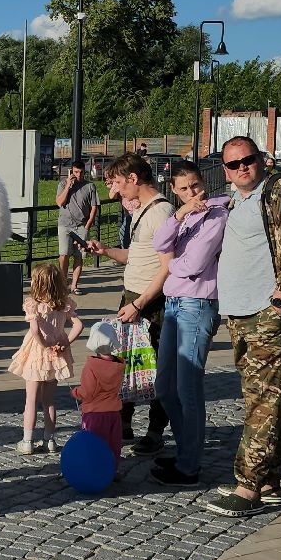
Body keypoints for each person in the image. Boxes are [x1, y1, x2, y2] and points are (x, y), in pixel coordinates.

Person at [204, 135, 281, 517]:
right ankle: (269, 480)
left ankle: (247, 486)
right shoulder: (238, 197)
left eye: (247, 160)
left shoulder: (278, 189)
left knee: (262, 400)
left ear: (261, 159)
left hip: (267, 312)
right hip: (239, 313)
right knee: (263, 398)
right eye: (233, 165)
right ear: (225, 169)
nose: (242, 168)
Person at [83, 153, 174, 456]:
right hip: (132, 297)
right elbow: (135, 256)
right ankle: (123, 423)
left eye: (119, 183)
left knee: (156, 368)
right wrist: (107, 250)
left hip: (149, 302)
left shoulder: (161, 213)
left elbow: (167, 267)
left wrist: (140, 304)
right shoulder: (141, 210)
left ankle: (155, 431)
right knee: (126, 364)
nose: (117, 190)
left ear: (134, 179)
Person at [147, 160, 229, 486]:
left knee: (188, 389)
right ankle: (185, 451)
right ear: (175, 191)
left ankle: (189, 465)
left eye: (195, 185)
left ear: (202, 181)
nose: (192, 193)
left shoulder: (217, 216)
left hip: (197, 305)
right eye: (183, 189)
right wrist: (179, 215)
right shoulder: (185, 216)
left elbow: (193, 264)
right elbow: (158, 244)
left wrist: (171, 264)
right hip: (173, 305)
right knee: (164, 388)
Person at [8, 263, 83, 454]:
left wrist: (43, 346)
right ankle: (49, 440)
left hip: (36, 354)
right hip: (55, 355)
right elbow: (78, 325)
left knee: (31, 400)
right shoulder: (63, 303)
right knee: (49, 401)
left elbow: (34, 330)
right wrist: (64, 343)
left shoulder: (33, 304)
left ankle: (27, 441)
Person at [72, 320, 126, 458]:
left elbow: (88, 392)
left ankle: (96, 471)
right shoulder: (119, 365)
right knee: (113, 444)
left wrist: (75, 392)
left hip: (94, 414)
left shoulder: (91, 366)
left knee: (94, 445)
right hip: (114, 412)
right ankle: (113, 469)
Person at [55, 163, 98, 294]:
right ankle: (63, 283)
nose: (78, 175)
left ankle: (74, 285)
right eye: (76, 172)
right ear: (71, 172)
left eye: (81, 172)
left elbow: (94, 206)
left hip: (81, 225)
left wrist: (88, 224)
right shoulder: (63, 184)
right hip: (65, 224)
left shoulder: (90, 186)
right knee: (64, 255)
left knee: (79, 256)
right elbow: (59, 202)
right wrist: (68, 186)